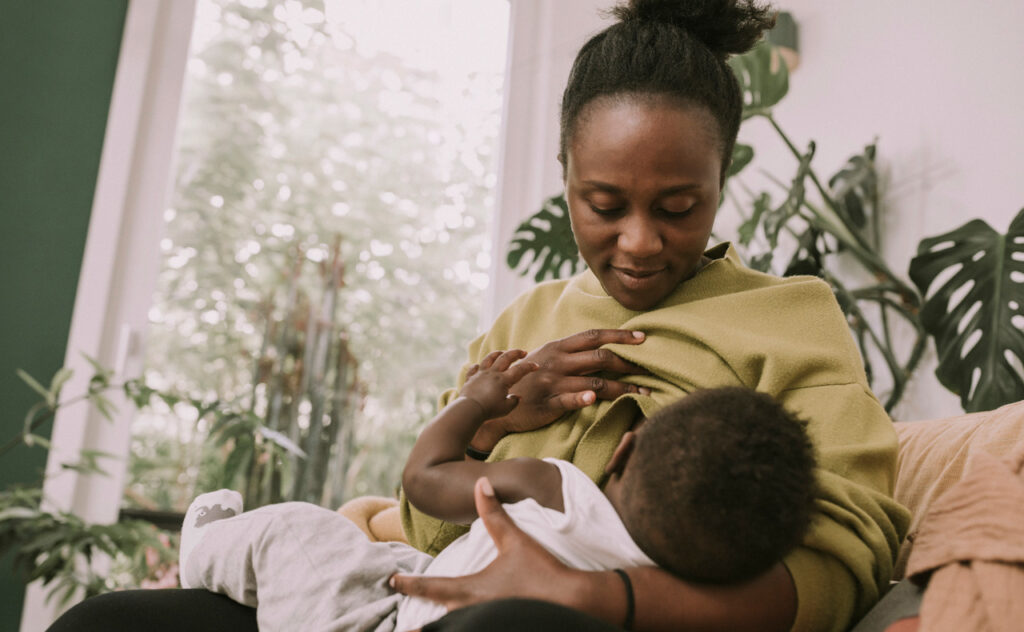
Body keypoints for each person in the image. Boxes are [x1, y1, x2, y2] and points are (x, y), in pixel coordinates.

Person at [47, 1, 910, 630]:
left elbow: (843, 559)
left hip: (608, 618)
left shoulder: (792, 318)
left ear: (723, 180)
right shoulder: (527, 320)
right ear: (564, 173)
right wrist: (495, 424)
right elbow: (427, 524)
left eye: (680, 206)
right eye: (603, 203)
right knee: (110, 623)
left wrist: (603, 598)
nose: (640, 242)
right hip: (426, 593)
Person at [173, 350, 816, 631]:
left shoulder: (555, 488)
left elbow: (423, 481)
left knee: (297, 531)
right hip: (422, 582)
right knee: (380, 553)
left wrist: (476, 403)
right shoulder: (676, 597)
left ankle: (204, 548)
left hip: (380, 622)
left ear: (625, 447)